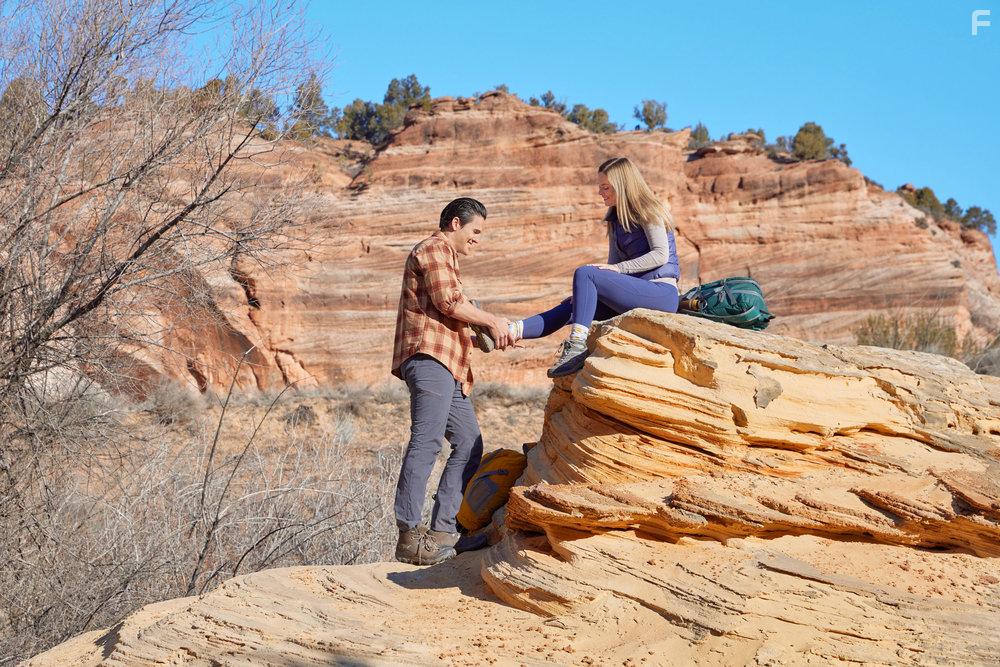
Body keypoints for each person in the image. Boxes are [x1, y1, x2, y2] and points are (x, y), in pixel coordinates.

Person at [390, 197, 513, 565]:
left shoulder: (448, 259)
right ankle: (410, 535)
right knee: (426, 442)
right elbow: (448, 302)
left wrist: (486, 335)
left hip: (449, 365)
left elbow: (446, 318)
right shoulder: (433, 248)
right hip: (429, 361)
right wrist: (489, 320)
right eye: (476, 231)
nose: (479, 239)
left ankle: (443, 533)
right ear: (456, 224)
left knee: (469, 443)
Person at [508, 157, 681, 377]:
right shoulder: (615, 219)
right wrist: (589, 292)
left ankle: (577, 346)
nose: (601, 192)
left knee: (585, 273)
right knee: (575, 304)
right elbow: (612, 266)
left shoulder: (649, 208)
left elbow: (660, 254)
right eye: (600, 187)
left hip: (660, 294)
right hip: (635, 292)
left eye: (605, 187)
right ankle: (510, 331)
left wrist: (617, 271)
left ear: (623, 185)